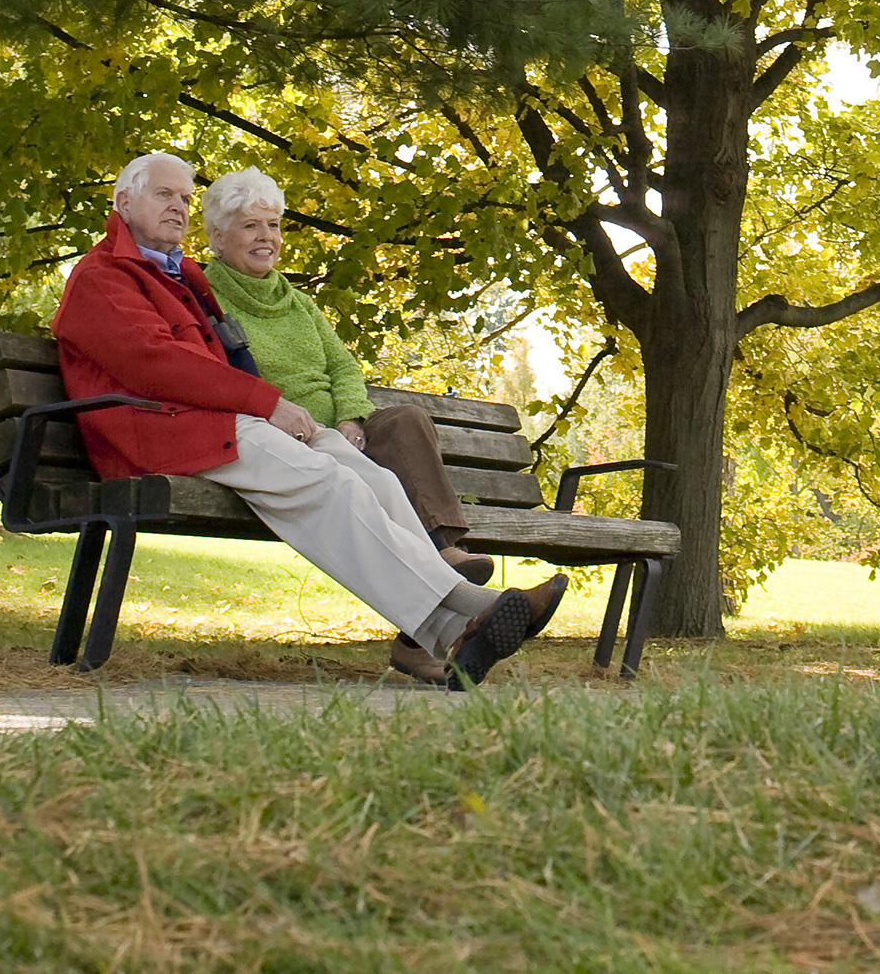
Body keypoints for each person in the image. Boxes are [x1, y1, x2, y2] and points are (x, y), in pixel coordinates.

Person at [50, 151, 566, 688]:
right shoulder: (103, 276)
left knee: (374, 478)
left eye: (184, 196)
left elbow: (232, 361)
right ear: (123, 201)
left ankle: (455, 635)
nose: (178, 206)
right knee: (324, 479)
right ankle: (477, 605)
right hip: (160, 429)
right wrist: (266, 403)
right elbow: (157, 364)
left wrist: (287, 412)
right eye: (165, 195)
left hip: (208, 421)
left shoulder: (175, 274)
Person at [201, 165, 496, 685]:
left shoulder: (296, 301)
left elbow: (341, 366)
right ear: (218, 236)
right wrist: (303, 420)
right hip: (280, 433)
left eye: (273, 226)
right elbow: (227, 377)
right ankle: (444, 576)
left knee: (404, 421)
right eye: (250, 227)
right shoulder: (206, 297)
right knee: (364, 482)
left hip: (335, 430)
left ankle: (442, 554)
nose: (266, 237)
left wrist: (351, 416)